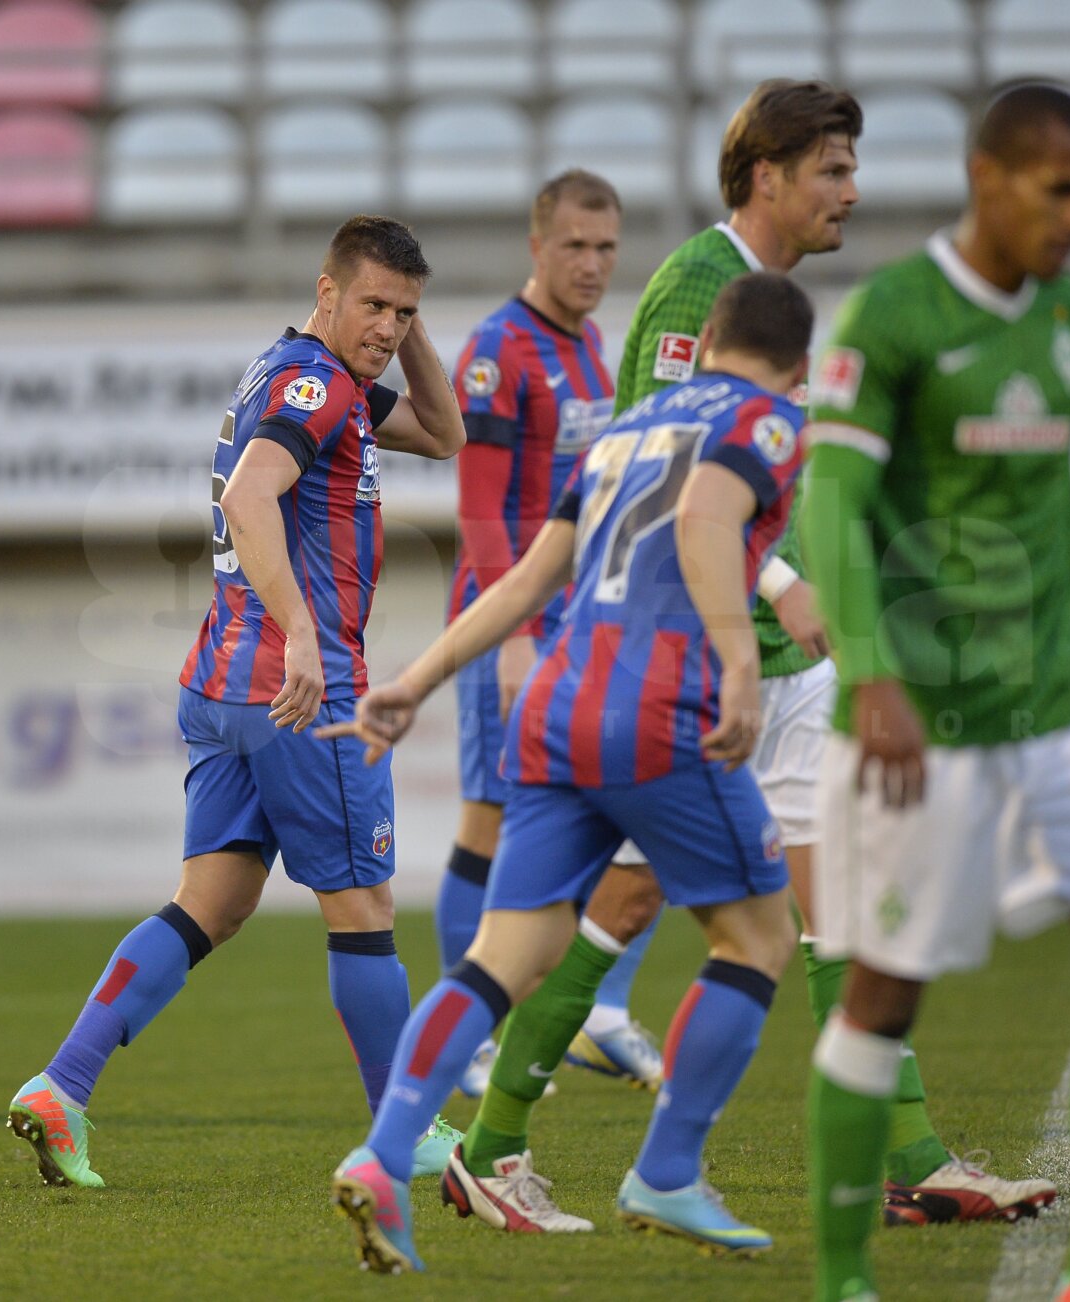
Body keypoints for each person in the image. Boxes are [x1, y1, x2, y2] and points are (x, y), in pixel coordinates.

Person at [449, 77, 1052, 1235]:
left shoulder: (759, 295)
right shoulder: (698, 285)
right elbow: (671, 484)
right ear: (767, 174)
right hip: (708, 672)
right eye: (832, 169)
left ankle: (910, 1156)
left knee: (826, 910)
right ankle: (493, 1144)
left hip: (769, 671)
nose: (851, 190)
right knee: (631, 911)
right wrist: (779, 586)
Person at [321, 271, 813, 1272]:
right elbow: (710, 522)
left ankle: (382, 1155)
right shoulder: (768, 419)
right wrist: (738, 666)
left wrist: (415, 679)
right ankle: (668, 1171)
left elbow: (530, 577)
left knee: (505, 957)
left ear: (706, 337)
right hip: (654, 708)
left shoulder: (630, 428)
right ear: (798, 364)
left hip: (551, 703)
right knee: (758, 934)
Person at [7, 216, 467, 1189]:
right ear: (327, 289)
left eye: (405, 309)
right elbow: (250, 500)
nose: (387, 324)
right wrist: (302, 633)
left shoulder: (301, 369)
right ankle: (403, 1136)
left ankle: (63, 1085)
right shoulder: (319, 385)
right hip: (299, 688)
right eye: (374, 304)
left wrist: (408, 330)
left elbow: (445, 432)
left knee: (209, 904)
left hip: (220, 682)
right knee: (365, 905)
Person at [802, 83, 1070, 1302]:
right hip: (923, 724)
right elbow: (831, 503)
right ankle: (843, 1278)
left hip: (1050, 715)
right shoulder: (893, 315)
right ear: (987, 176)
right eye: (1058, 191)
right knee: (883, 997)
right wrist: (874, 669)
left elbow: (1041, 501)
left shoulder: (1064, 318)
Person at [434, 171, 661, 1096]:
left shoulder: (596, 345)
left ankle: (595, 1012)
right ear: (538, 247)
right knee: (488, 819)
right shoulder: (497, 350)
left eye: (606, 248)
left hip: (585, 624)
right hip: (509, 623)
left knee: (619, 808)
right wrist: (516, 634)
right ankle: (471, 1033)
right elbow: (481, 511)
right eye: (575, 245)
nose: (592, 264)